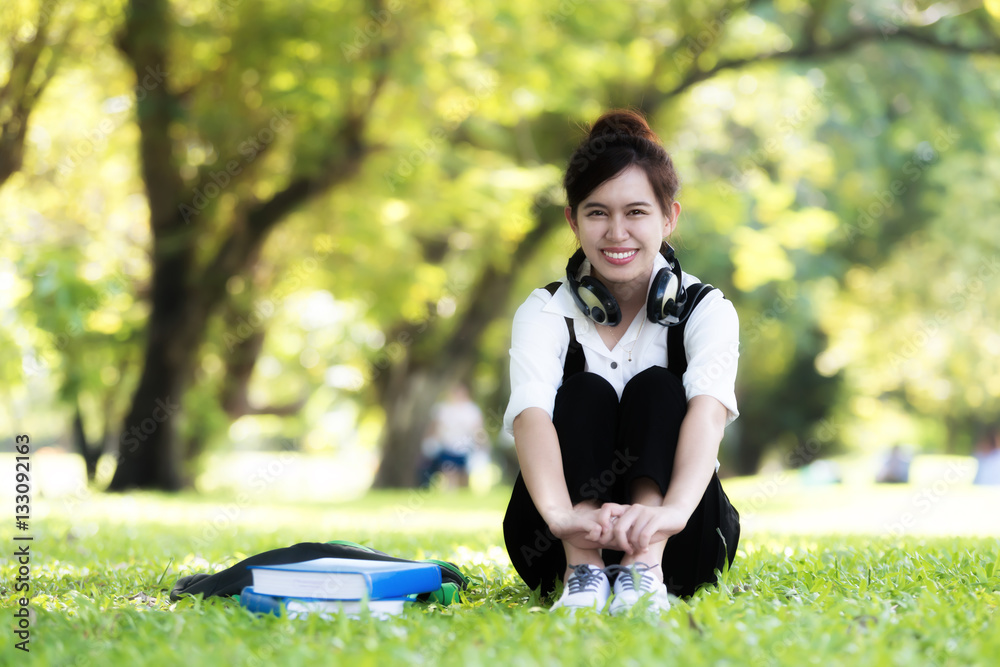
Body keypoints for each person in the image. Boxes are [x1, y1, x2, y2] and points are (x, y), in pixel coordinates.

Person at [502, 110, 741, 615]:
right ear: (572, 220)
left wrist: (671, 515)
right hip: (552, 540)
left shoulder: (707, 309)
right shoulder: (545, 312)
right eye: (596, 213)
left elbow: (709, 412)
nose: (617, 233)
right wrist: (561, 517)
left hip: (683, 542)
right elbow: (530, 416)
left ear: (669, 217)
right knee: (583, 391)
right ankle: (582, 571)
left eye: (635, 212)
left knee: (658, 385)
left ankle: (643, 569)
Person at [420, 384, 485, 489]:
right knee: (449, 471)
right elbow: (435, 427)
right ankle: (451, 491)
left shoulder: (472, 410)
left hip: (466, 446)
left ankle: (462, 493)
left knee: (463, 473)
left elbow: (478, 429)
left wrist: (481, 445)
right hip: (447, 446)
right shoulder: (443, 409)